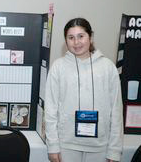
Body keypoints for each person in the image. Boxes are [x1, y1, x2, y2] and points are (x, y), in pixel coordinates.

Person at [45, 18, 123, 162]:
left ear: (91, 37)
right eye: (71, 37)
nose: (76, 42)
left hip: (100, 146)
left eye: (81, 36)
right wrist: (53, 146)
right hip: (66, 145)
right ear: (66, 41)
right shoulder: (58, 67)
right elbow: (50, 109)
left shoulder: (107, 67)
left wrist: (115, 150)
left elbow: (116, 110)